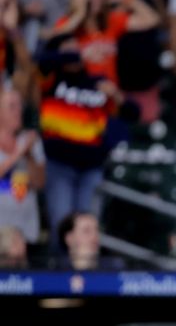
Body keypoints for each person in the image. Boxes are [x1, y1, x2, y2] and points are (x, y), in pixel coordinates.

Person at [38, 33, 120, 253]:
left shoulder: (96, 83)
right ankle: (58, 281)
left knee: (89, 229)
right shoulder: (50, 80)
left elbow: (132, 113)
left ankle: (88, 279)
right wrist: (80, 52)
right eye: (68, 51)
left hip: (92, 168)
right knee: (62, 226)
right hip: (59, 166)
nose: (74, 56)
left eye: (77, 51)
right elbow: (39, 59)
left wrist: (117, 96)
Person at [0, 87, 45, 245]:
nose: (18, 111)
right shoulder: (22, 146)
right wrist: (18, 154)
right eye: (12, 106)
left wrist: (30, 156)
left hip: (25, 227)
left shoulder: (31, 141)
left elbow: (39, 183)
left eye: (20, 106)